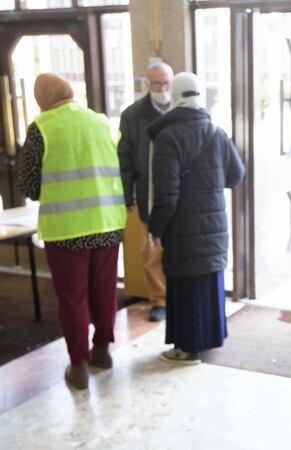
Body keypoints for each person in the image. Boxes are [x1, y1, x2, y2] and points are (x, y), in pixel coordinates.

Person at [18, 73, 127, 389]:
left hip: (66, 230)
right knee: (104, 290)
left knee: (73, 299)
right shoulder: (101, 122)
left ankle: (78, 365)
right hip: (107, 223)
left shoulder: (42, 128)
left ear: (42, 98)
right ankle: (103, 351)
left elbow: (29, 186)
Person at [147, 72, 245, 363]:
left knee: (185, 285)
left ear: (175, 96)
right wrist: (210, 182)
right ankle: (208, 340)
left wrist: (156, 228)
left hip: (182, 226)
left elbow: (167, 194)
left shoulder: (167, 136)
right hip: (213, 226)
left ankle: (186, 347)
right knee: (208, 280)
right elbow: (236, 175)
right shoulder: (216, 132)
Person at [118, 61, 174, 322]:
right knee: (152, 251)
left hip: (178, 194)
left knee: (178, 248)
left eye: (165, 82)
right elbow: (125, 158)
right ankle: (159, 299)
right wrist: (127, 194)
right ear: (146, 85)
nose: (161, 88)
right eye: (156, 83)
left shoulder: (182, 111)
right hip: (147, 193)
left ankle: (179, 295)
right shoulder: (133, 115)